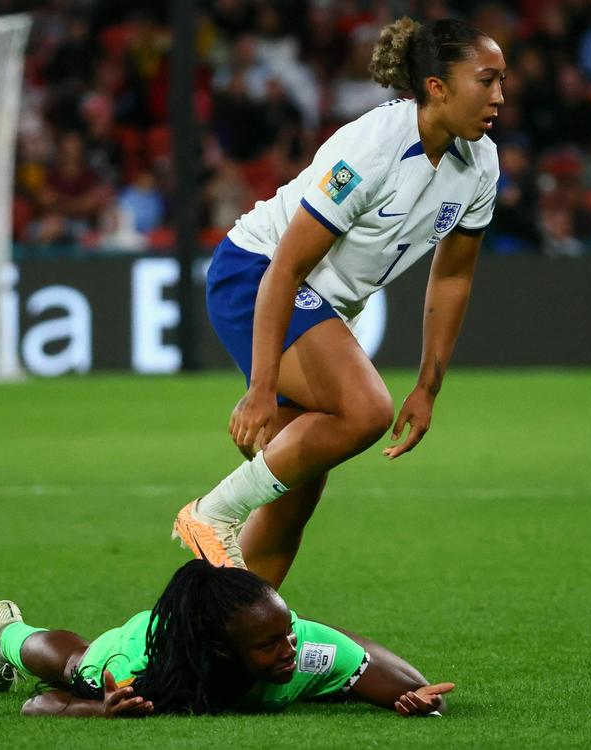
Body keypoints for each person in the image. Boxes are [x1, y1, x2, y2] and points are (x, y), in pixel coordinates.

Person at [172, 17, 505, 586]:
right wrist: (260, 386)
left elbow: (451, 279)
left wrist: (428, 386)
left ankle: (235, 639)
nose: (498, 96)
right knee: (365, 410)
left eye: (503, 81)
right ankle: (211, 513)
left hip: (318, 301)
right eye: (486, 80)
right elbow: (286, 265)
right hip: (256, 274)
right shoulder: (372, 147)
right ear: (437, 87)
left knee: (295, 494)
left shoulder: (480, 165)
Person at [0, 560, 453, 718]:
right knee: (77, 664)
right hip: (142, 648)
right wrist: (97, 708)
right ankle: (7, 632)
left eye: (287, 632)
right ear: (223, 649)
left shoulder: (303, 647)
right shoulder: (143, 676)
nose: (289, 650)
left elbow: (417, 688)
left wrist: (416, 701)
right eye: (268, 644)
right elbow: (38, 707)